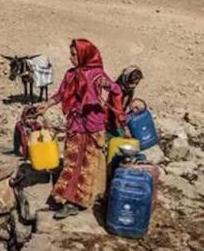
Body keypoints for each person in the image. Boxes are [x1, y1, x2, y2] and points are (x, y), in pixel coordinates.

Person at [38, 38, 124, 219]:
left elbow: (116, 89)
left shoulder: (97, 74)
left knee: (87, 165)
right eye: (71, 54)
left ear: (85, 55)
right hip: (75, 124)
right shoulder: (70, 74)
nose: (71, 58)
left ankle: (77, 202)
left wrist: (107, 85)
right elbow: (61, 94)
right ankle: (64, 197)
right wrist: (47, 104)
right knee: (71, 161)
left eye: (74, 55)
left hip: (93, 125)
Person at [107, 65, 144, 137]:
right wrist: (124, 127)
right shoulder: (117, 91)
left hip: (118, 119)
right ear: (126, 79)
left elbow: (125, 104)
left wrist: (132, 106)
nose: (133, 86)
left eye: (136, 84)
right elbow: (118, 109)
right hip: (110, 120)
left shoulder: (128, 89)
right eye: (132, 83)